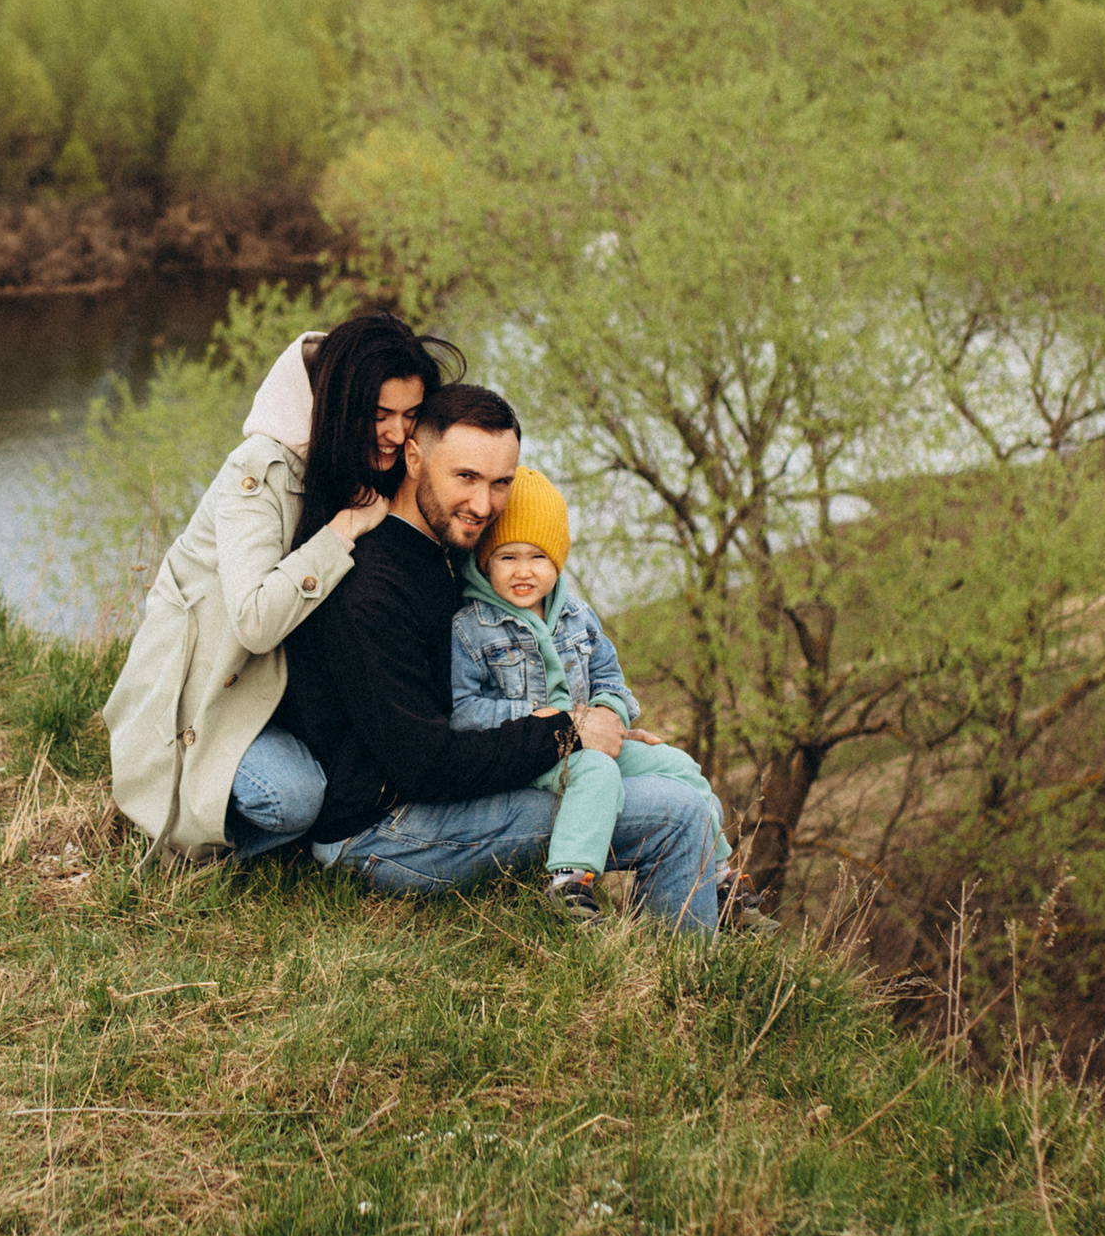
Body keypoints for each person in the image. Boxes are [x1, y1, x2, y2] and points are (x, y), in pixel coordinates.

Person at [272, 383, 724, 928]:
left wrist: (604, 721)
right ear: (414, 457)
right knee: (677, 815)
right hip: (380, 830)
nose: (484, 505)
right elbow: (425, 763)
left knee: (670, 781)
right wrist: (567, 731)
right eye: (465, 477)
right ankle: (683, 987)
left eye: (500, 483)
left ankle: (688, 940)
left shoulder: (444, 553)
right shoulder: (373, 587)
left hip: (435, 792)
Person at [101, 308, 441, 854]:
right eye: (380, 414)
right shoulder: (258, 472)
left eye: (411, 415)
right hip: (209, 691)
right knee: (293, 797)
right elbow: (255, 624)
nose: (397, 434)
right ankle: (218, 845)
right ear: (341, 404)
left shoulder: (360, 456)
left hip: (283, 686)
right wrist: (344, 530)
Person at [448, 464, 740, 926]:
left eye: (538, 558)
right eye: (507, 557)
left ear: (558, 561)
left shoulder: (577, 616)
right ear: (485, 561)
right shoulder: (471, 628)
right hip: (537, 751)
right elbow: (463, 710)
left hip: (592, 736)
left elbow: (609, 677)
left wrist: (610, 712)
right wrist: (533, 715)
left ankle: (720, 877)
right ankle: (571, 880)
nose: (524, 571)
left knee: (679, 767)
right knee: (598, 772)